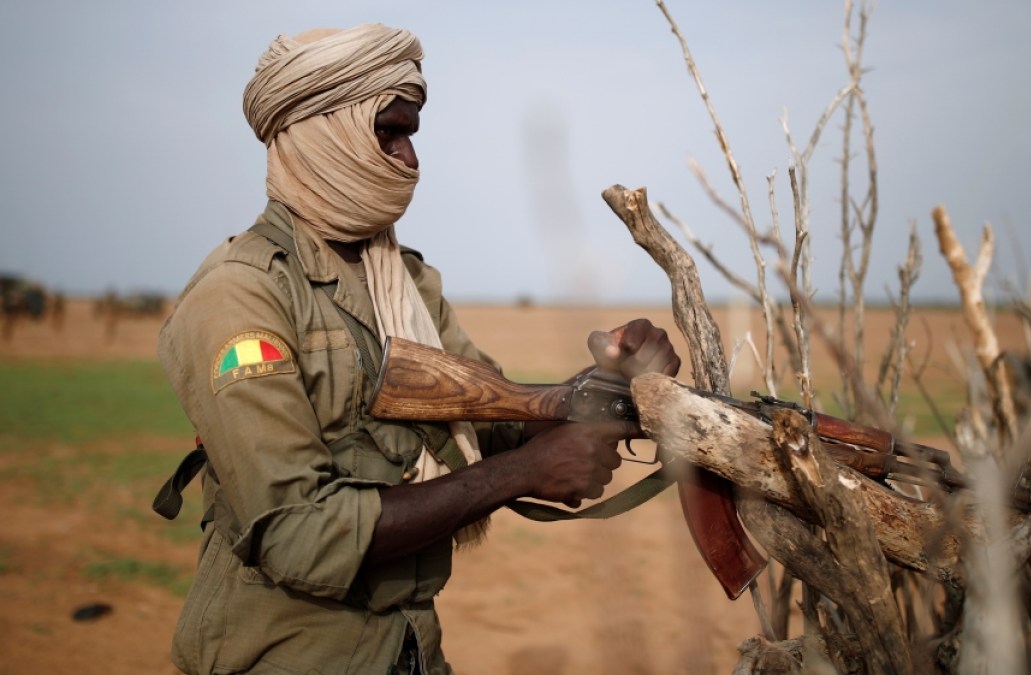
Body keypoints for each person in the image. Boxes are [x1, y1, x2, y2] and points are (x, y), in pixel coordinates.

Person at [155, 23, 680, 675]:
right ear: (325, 134)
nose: (410, 159)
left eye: (412, 135)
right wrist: (524, 473)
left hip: (412, 651)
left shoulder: (404, 281)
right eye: (389, 133)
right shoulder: (241, 295)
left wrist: (601, 387)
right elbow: (298, 533)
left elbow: (488, 427)